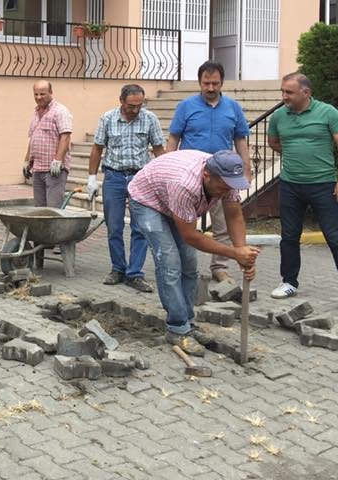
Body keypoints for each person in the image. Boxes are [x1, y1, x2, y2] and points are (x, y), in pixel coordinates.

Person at [127, 150, 260, 356]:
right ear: (207, 175)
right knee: (169, 263)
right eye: (223, 187)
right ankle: (177, 328)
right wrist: (234, 253)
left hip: (171, 197)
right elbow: (191, 236)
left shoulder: (229, 181)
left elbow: (234, 215)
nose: (226, 192)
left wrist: (243, 253)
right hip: (147, 201)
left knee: (189, 263)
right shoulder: (185, 184)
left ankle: (188, 322)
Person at [267, 73, 338, 314]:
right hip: (290, 185)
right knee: (288, 237)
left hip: (324, 185)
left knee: (336, 238)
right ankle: (289, 282)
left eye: (289, 92)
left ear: (306, 92)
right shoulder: (278, 116)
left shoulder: (327, 112)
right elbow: (275, 143)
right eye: (283, 91)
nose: (284, 96)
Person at [166, 60, 251, 284]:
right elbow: (174, 137)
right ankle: (185, 266)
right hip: (192, 177)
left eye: (215, 83)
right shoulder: (186, 106)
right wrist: (169, 164)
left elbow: (241, 140)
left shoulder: (233, 108)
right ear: (200, 82)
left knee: (223, 224)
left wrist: (246, 170)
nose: (211, 88)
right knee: (185, 224)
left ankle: (220, 267)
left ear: (222, 82)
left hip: (222, 178)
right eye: (206, 83)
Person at [87, 84, 165, 293]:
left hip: (141, 177)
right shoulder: (107, 119)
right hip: (114, 176)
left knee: (140, 227)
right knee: (114, 226)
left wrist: (165, 176)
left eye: (139, 105)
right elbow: (97, 148)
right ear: (121, 101)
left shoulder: (150, 119)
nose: (135, 110)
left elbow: (159, 149)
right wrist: (92, 177)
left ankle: (135, 273)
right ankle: (118, 269)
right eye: (131, 106)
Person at [23, 80, 73, 208]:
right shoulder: (36, 113)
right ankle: (41, 229)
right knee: (39, 208)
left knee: (52, 209)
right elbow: (33, 138)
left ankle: (54, 229)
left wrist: (58, 160)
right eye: (36, 94)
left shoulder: (60, 111)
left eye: (42, 94)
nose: (39, 97)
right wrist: (27, 160)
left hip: (53, 170)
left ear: (51, 92)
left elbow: (65, 136)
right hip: (38, 168)